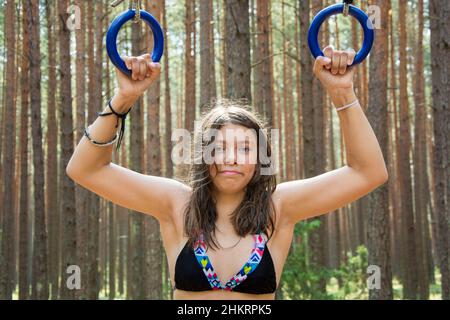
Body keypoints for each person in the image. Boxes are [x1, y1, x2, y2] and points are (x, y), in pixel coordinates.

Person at [66, 46, 388, 300]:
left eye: (246, 149)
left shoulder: (279, 208)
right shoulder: (176, 204)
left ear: (262, 158)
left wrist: (342, 93)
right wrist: (125, 97)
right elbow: (86, 169)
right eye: (220, 147)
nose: (232, 158)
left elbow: (368, 172)